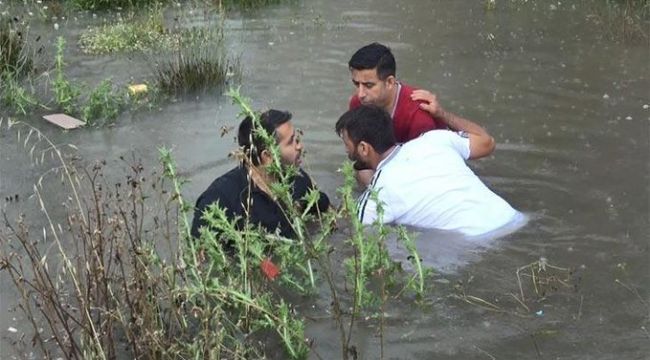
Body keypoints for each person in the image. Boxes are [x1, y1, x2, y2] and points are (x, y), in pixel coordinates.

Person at [335, 101, 520, 237]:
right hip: (513, 219)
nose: (345, 151)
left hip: (479, 240)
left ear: (364, 149)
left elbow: (356, 239)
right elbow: (486, 141)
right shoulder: (435, 139)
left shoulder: (378, 195)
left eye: (347, 144)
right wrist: (442, 114)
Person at [348, 42, 478, 186]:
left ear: (390, 82)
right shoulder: (358, 104)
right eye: (356, 84)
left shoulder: (418, 113)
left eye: (368, 85)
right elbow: (362, 161)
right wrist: (375, 190)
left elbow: (424, 172)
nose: (360, 94)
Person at [191, 109, 330, 241]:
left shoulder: (298, 179)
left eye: (297, 139)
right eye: (291, 142)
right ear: (268, 156)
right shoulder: (220, 199)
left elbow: (329, 213)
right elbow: (201, 258)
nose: (299, 146)